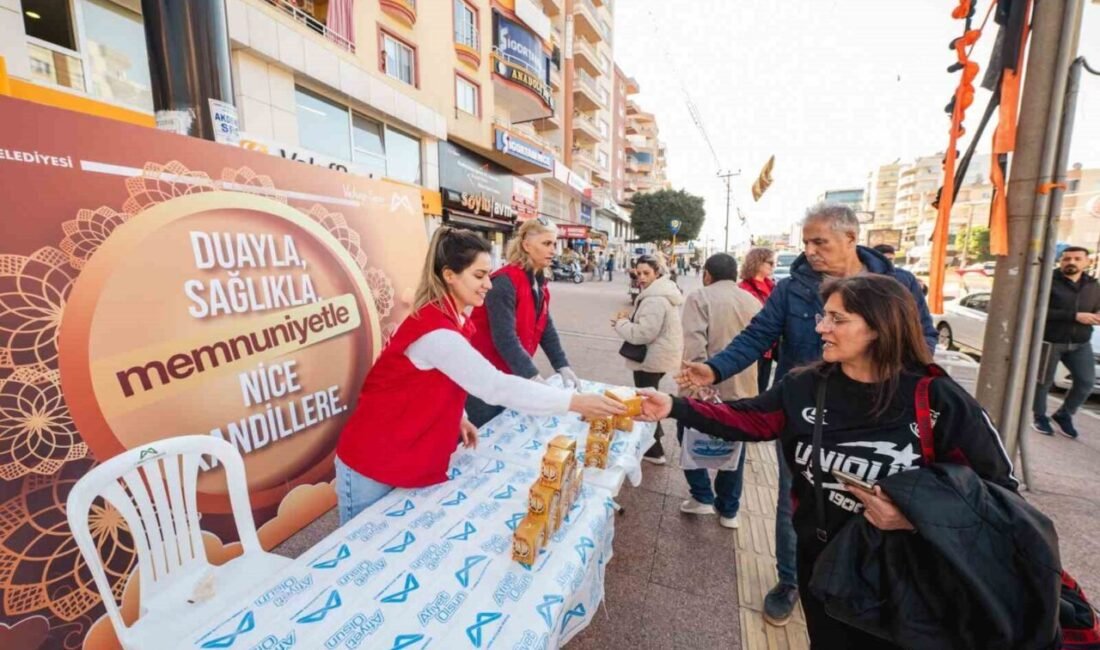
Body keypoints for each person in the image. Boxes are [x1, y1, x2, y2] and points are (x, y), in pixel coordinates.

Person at [646, 275, 1017, 648]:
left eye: (837, 319)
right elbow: (753, 419)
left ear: (881, 327)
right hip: (823, 562)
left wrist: (915, 517)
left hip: (909, 572)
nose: (821, 327)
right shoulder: (806, 385)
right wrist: (674, 407)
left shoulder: (938, 401)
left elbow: (999, 493)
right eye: (824, 316)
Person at [677, 203, 937, 627]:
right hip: (805, 416)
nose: (811, 251)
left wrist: (884, 377)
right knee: (793, 502)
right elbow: (757, 336)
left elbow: (922, 344)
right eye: (806, 243)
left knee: (869, 505)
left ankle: (866, 585)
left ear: (851, 238)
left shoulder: (898, 284)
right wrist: (714, 367)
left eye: (821, 242)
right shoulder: (792, 288)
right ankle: (790, 581)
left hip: (877, 419)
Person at [335, 227, 625, 524]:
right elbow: (494, 386)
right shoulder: (437, 329)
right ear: (449, 275)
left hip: (401, 451)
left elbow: (437, 377)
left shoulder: (453, 318)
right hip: (371, 459)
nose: (488, 284)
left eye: (488, 274)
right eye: (479, 275)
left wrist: (458, 415)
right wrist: (574, 402)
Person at [466, 219, 582, 427]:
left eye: (554, 244)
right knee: (482, 437)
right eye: (547, 244)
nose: (553, 250)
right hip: (485, 378)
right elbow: (505, 339)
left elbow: (545, 326)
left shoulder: (538, 281)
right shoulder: (504, 282)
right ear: (527, 246)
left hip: (511, 375)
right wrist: (533, 377)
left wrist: (561, 365)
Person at [678, 253, 760, 528]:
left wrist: (699, 386)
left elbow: (694, 346)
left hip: (704, 386)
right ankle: (729, 510)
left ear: (707, 274)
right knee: (735, 447)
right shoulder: (752, 301)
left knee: (688, 437)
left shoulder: (699, 298)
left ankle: (702, 496)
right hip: (743, 389)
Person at [613, 255, 684, 463]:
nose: (641, 277)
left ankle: (654, 450)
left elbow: (643, 334)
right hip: (659, 356)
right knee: (649, 398)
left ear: (657, 273)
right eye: (639, 273)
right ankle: (653, 445)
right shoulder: (661, 292)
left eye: (647, 273)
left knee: (647, 403)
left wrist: (621, 323)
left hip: (650, 359)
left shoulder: (655, 299)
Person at [1033, 246, 1100, 439]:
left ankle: (1065, 414)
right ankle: (1039, 417)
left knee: (1086, 381)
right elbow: (1038, 311)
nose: (1071, 262)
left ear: (1087, 262)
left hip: (1080, 343)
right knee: (1043, 382)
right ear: (1060, 262)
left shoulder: (1093, 285)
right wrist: (1075, 316)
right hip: (1051, 340)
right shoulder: (1048, 282)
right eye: (1066, 259)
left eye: (1077, 259)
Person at [739, 247, 778, 394]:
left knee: (762, 388)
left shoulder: (773, 287)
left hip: (770, 346)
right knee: (750, 391)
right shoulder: (744, 288)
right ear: (757, 263)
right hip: (753, 345)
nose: (773, 266)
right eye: (769, 262)